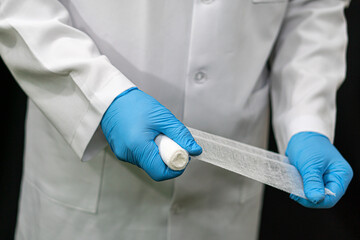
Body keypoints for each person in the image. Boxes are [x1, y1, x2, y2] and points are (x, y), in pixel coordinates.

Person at [0, 0, 353, 239]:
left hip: (224, 198)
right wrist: (102, 97)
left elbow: (313, 8)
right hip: (89, 185)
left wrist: (308, 118)